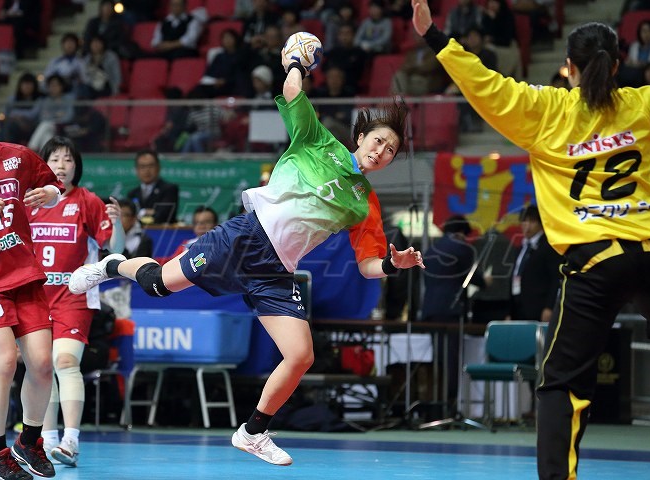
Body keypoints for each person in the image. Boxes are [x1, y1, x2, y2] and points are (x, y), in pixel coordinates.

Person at [68, 46, 425, 467]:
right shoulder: (318, 141)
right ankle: (109, 265)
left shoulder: (366, 203)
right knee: (159, 284)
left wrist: (392, 264)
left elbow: (367, 266)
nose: (381, 151)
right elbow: (292, 92)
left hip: (277, 271)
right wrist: (296, 62)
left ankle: (253, 432)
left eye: (390, 150)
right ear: (361, 138)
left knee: (301, 355)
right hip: (245, 238)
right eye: (378, 140)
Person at [412, 2, 650, 478]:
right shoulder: (646, 104)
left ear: (568, 67)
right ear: (617, 65)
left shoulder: (544, 111)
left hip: (597, 261)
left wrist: (434, 35)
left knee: (562, 384)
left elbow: (482, 83)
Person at [0, 84, 62, 480]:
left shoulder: (17, 156)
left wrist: (48, 194)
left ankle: (30, 441)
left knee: (41, 364)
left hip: (24, 273)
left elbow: (53, 185)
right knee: (4, 361)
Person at [27, 136, 125, 467]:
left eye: (68, 159)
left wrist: (118, 222)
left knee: (65, 362)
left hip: (73, 297)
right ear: (43, 165)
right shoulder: (30, 202)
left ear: (76, 167)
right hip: (35, 299)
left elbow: (114, 248)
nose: (61, 165)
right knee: (41, 368)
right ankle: (46, 441)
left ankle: (71, 441)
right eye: (54, 158)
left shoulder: (87, 201)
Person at [420, 215, 487, 411]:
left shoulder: (430, 249)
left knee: (438, 360)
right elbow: (472, 277)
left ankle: (435, 404)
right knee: (451, 360)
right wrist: (485, 281)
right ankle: (449, 405)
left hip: (431, 310)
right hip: (451, 311)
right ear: (461, 233)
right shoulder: (462, 248)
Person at [509, 205, 562, 322]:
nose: (527, 225)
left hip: (539, 307)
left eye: (532, 221)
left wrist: (549, 307)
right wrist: (509, 311)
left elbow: (556, 278)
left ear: (541, 223)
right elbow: (514, 276)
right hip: (518, 305)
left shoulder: (549, 246)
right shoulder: (521, 248)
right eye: (524, 221)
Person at [126, 150, 180, 224]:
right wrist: (151, 212)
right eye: (142, 167)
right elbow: (128, 217)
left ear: (158, 167)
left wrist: (142, 212)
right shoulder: (132, 193)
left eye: (151, 166)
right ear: (136, 170)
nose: (147, 170)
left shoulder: (170, 189)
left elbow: (164, 215)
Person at [0, 72, 42, 145]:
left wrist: (17, 116)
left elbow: (33, 115)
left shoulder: (39, 99)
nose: (27, 87)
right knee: (5, 127)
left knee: (9, 126)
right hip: (14, 125)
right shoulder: (13, 98)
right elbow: (6, 113)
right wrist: (18, 118)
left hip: (31, 127)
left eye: (29, 84)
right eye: (24, 84)